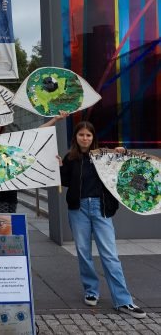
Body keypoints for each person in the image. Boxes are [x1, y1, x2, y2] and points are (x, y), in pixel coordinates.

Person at [59, 121, 146, 318]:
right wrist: (59, 167)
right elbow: (65, 181)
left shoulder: (104, 156)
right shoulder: (70, 157)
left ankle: (123, 300)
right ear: (76, 137)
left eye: (88, 135)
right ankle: (91, 290)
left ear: (93, 137)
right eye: (81, 134)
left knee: (110, 255)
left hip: (101, 208)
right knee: (83, 252)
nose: (85, 138)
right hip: (78, 209)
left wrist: (123, 153)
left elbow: (124, 169)